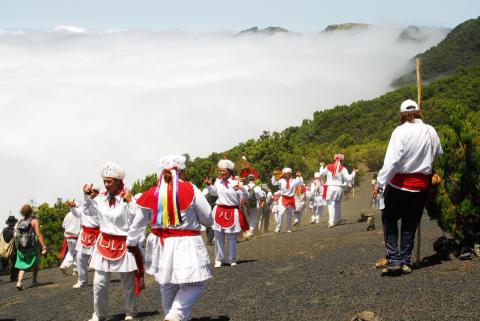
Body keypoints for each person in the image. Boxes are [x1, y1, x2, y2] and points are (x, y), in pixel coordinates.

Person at [129, 155, 213, 321]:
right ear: (181, 172)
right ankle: (176, 314)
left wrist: (130, 242)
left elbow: (137, 224)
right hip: (187, 242)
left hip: (161, 243)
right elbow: (208, 218)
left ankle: (172, 315)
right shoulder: (191, 189)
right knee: (195, 283)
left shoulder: (151, 192)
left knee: (167, 284)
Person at [373, 99, 442, 275]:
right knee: (410, 224)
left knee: (389, 219)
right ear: (419, 112)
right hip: (421, 187)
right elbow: (438, 153)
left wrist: (380, 183)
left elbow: (392, 162)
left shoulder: (400, 131)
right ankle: (405, 260)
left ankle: (395, 259)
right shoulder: (430, 130)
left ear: (402, 115)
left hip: (399, 185)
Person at [83, 162, 142, 321]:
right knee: (99, 284)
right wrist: (86, 197)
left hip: (123, 244)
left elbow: (136, 218)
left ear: (118, 181)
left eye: (109, 181)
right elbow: (89, 214)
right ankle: (99, 315)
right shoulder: (100, 199)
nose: (106, 185)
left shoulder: (128, 197)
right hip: (103, 244)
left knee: (127, 284)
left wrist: (130, 202)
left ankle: (130, 312)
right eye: (104, 181)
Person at [206, 159, 249, 268]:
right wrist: (209, 186)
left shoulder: (236, 182)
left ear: (229, 171)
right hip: (219, 210)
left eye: (224, 170)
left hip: (232, 211)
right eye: (220, 170)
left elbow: (246, 197)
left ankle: (232, 259)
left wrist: (242, 189)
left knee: (232, 237)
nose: (221, 172)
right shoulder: (218, 181)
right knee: (219, 236)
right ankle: (219, 259)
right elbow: (214, 193)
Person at [68, 184, 101, 288]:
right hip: (85, 233)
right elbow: (78, 214)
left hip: (97, 234)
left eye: (93, 191)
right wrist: (72, 207)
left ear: (97, 193)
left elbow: (88, 203)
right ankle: (82, 280)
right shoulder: (85, 203)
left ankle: (101, 279)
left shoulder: (100, 203)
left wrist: (86, 194)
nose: (91, 193)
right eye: (90, 191)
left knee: (99, 259)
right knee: (80, 257)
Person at [14, 204, 47, 290]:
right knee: (35, 262)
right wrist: (43, 246)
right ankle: (34, 280)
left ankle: (19, 282)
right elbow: (38, 234)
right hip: (32, 246)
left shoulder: (19, 222)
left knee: (22, 265)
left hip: (21, 247)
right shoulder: (34, 221)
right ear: (31, 211)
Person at [319, 155, 357, 228]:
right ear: (341, 160)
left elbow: (321, 174)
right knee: (338, 204)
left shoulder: (328, 166)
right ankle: (338, 219)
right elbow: (348, 179)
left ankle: (331, 222)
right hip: (339, 188)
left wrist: (321, 167)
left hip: (331, 187)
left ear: (334, 159)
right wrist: (353, 173)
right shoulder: (343, 168)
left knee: (331, 205)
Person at [271, 168, 304, 233]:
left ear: (291, 174)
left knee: (289, 215)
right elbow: (274, 183)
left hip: (291, 199)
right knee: (281, 213)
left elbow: (301, 183)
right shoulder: (281, 180)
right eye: (286, 174)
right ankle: (278, 228)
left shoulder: (295, 181)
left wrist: (299, 176)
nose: (287, 175)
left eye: (289, 173)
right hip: (283, 198)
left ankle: (289, 228)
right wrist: (274, 175)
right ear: (284, 174)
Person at [58, 210, 81, 276]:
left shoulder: (67, 214)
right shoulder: (79, 214)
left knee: (70, 253)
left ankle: (64, 265)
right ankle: (75, 270)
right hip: (76, 237)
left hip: (68, 238)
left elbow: (63, 225)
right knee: (78, 253)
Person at [1, 216, 19, 281]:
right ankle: (13, 277)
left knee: (3, 264)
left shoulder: (4, 230)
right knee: (15, 263)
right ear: (14, 223)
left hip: (4, 249)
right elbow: (16, 240)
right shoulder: (14, 231)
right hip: (12, 249)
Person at [201, 177, 218, 246]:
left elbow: (201, 197)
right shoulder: (217, 189)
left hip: (207, 207)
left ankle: (209, 239)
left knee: (209, 224)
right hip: (214, 207)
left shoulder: (205, 189)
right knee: (213, 224)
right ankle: (209, 240)